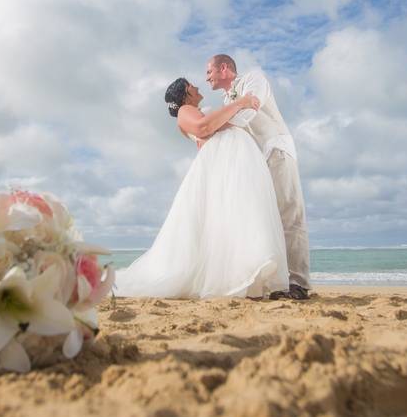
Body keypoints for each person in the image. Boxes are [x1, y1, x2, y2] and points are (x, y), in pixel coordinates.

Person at [115, 78, 290, 298]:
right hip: (226, 159)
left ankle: (247, 278)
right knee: (240, 213)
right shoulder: (186, 110)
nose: (198, 87)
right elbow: (203, 127)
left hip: (230, 158)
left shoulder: (194, 109)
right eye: (192, 86)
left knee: (238, 216)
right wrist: (240, 103)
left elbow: (208, 128)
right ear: (186, 93)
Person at [206, 54, 311, 300]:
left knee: (290, 213)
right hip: (256, 161)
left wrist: (213, 124)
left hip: (276, 149)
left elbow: (247, 113)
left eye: (209, 71)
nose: (206, 76)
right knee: (265, 219)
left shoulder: (254, 79)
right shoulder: (225, 98)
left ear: (224, 68)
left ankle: (299, 283)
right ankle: (278, 281)